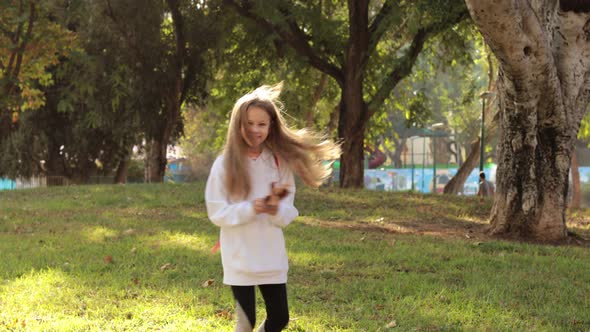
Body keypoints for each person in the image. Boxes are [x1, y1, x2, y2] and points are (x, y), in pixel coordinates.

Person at [205, 82, 340, 332]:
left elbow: (289, 211)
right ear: (237, 125)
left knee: (279, 318)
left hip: (271, 256)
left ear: (271, 127)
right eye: (249, 124)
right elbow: (216, 212)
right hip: (239, 255)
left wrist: (275, 208)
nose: (255, 130)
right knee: (246, 323)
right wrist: (251, 208)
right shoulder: (224, 164)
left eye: (262, 124)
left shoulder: (279, 162)